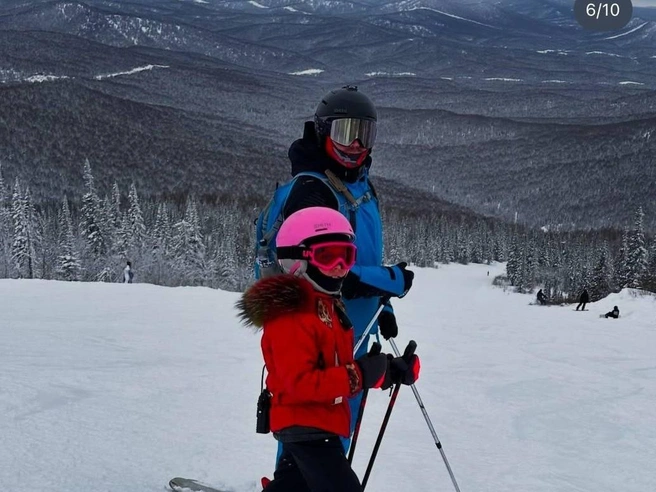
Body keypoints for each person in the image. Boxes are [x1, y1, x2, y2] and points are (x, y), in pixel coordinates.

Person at [237, 207, 420, 492]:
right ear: (296, 261)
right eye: (327, 255)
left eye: (346, 256)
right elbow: (301, 383)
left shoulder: (326, 306)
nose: (339, 266)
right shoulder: (290, 314)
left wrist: (387, 370)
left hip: (320, 423)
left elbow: (337, 365)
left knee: (296, 485)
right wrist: (361, 374)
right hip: (306, 426)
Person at [277, 85, 415, 452]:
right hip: (317, 328)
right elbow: (330, 275)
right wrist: (392, 282)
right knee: (311, 421)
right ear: (323, 132)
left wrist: (382, 307)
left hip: (354, 329)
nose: (354, 144)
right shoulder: (313, 192)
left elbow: (363, 258)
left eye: (364, 133)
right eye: (344, 132)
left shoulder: (363, 190)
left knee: (339, 424)